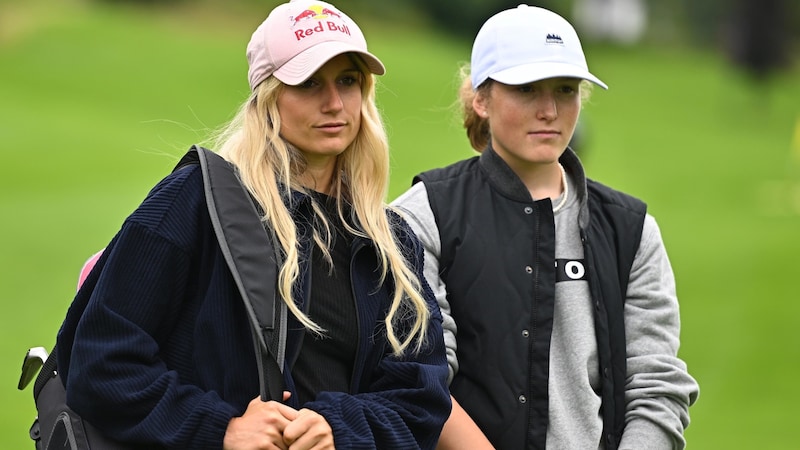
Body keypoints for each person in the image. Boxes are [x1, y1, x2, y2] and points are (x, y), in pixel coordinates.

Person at [55, 1, 451, 448]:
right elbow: (99, 362)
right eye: (308, 83)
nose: (335, 103)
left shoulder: (390, 239)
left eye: (348, 81)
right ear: (267, 95)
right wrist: (220, 428)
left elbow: (422, 397)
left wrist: (337, 429)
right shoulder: (196, 202)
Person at [392, 5, 699, 450]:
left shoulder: (632, 230)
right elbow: (422, 379)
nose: (550, 110)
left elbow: (656, 387)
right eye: (527, 89)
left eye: (565, 89)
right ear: (481, 97)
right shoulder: (422, 216)